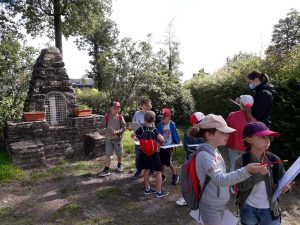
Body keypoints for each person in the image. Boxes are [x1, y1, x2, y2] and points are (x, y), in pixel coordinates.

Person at [190, 114, 268, 225]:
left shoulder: (214, 151)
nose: (227, 135)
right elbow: (221, 180)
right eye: (222, 132)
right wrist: (247, 170)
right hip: (211, 206)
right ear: (209, 134)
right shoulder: (205, 155)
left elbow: (221, 176)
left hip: (218, 204)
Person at [235, 122, 293, 225]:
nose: (267, 140)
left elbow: (284, 180)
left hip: (270, 209)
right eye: (262, 137)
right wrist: (259, 174)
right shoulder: (242, 161)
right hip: (248, 208)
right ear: (249, 139)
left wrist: (287, 187)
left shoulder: (274, 159)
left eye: (268, 137)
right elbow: (241, 186)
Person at [131, 111, 169, 198]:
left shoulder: (141, 129)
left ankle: (147, 189)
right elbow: (162, 139)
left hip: (144, 153)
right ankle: (159, 192)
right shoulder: (154, 130)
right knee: (159, 171)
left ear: (144, 119)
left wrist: (138, 138)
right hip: (154, 153)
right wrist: (158, 145)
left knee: (146, 170)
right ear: (153, 120)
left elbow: (132, 135)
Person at [176, 112, 205, 206]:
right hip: (191, 160)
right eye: (200, 121)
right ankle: (188, 198)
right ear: (194, 123)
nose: (202, 123)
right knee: (190, 180)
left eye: (203, 121)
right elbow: (186, 147)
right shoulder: (188, 133)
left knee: (203, 179)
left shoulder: (205, 132)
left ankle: (203, 198)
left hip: (203, 160)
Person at [226, 95, 255, 173]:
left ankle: (232, 185)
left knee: (234, 167)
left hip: (233, 146)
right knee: (246, 169)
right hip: (247, 147)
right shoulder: (254, 119)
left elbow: (226, 129)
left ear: (240, 104)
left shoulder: (232, 115)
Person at [99, 101, 126, 177]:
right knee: (108, 154)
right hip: (108, 139)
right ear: (110, 108)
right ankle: (106, 169)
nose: (116, 109)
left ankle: (119, 164)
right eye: (114, 108)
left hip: (118, 139)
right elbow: (101, 128)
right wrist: (105, 130)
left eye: (118, 108)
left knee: (119, 153)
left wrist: (117, 132)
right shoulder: (106, 117)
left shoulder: (120, 117)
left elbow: (124, 128)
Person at [157, 108, 181, 185]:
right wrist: (158, 143)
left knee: (168, 161)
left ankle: (175, 175)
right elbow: (157, 135)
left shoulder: (172, 124)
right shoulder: (159, 125)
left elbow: (175, 133)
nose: (162, 119)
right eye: (161, 118)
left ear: (169, 117)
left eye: (164, 118)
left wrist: (178, 141)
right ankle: (163, 175)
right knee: (161, 161)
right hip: (162, 146)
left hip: (170, 146)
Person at [131, 98, 152, 179]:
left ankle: (149, 169)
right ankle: (138, 170)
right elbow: (133, 125)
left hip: (148, 139)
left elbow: (153, 127)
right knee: (138, 155)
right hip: (138, 140)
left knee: (148, 155)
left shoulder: (150, 114)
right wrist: (135, 133)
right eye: (144, 108)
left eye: (147, 108)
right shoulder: (137, 114)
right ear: (141, 106)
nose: (146, 110)